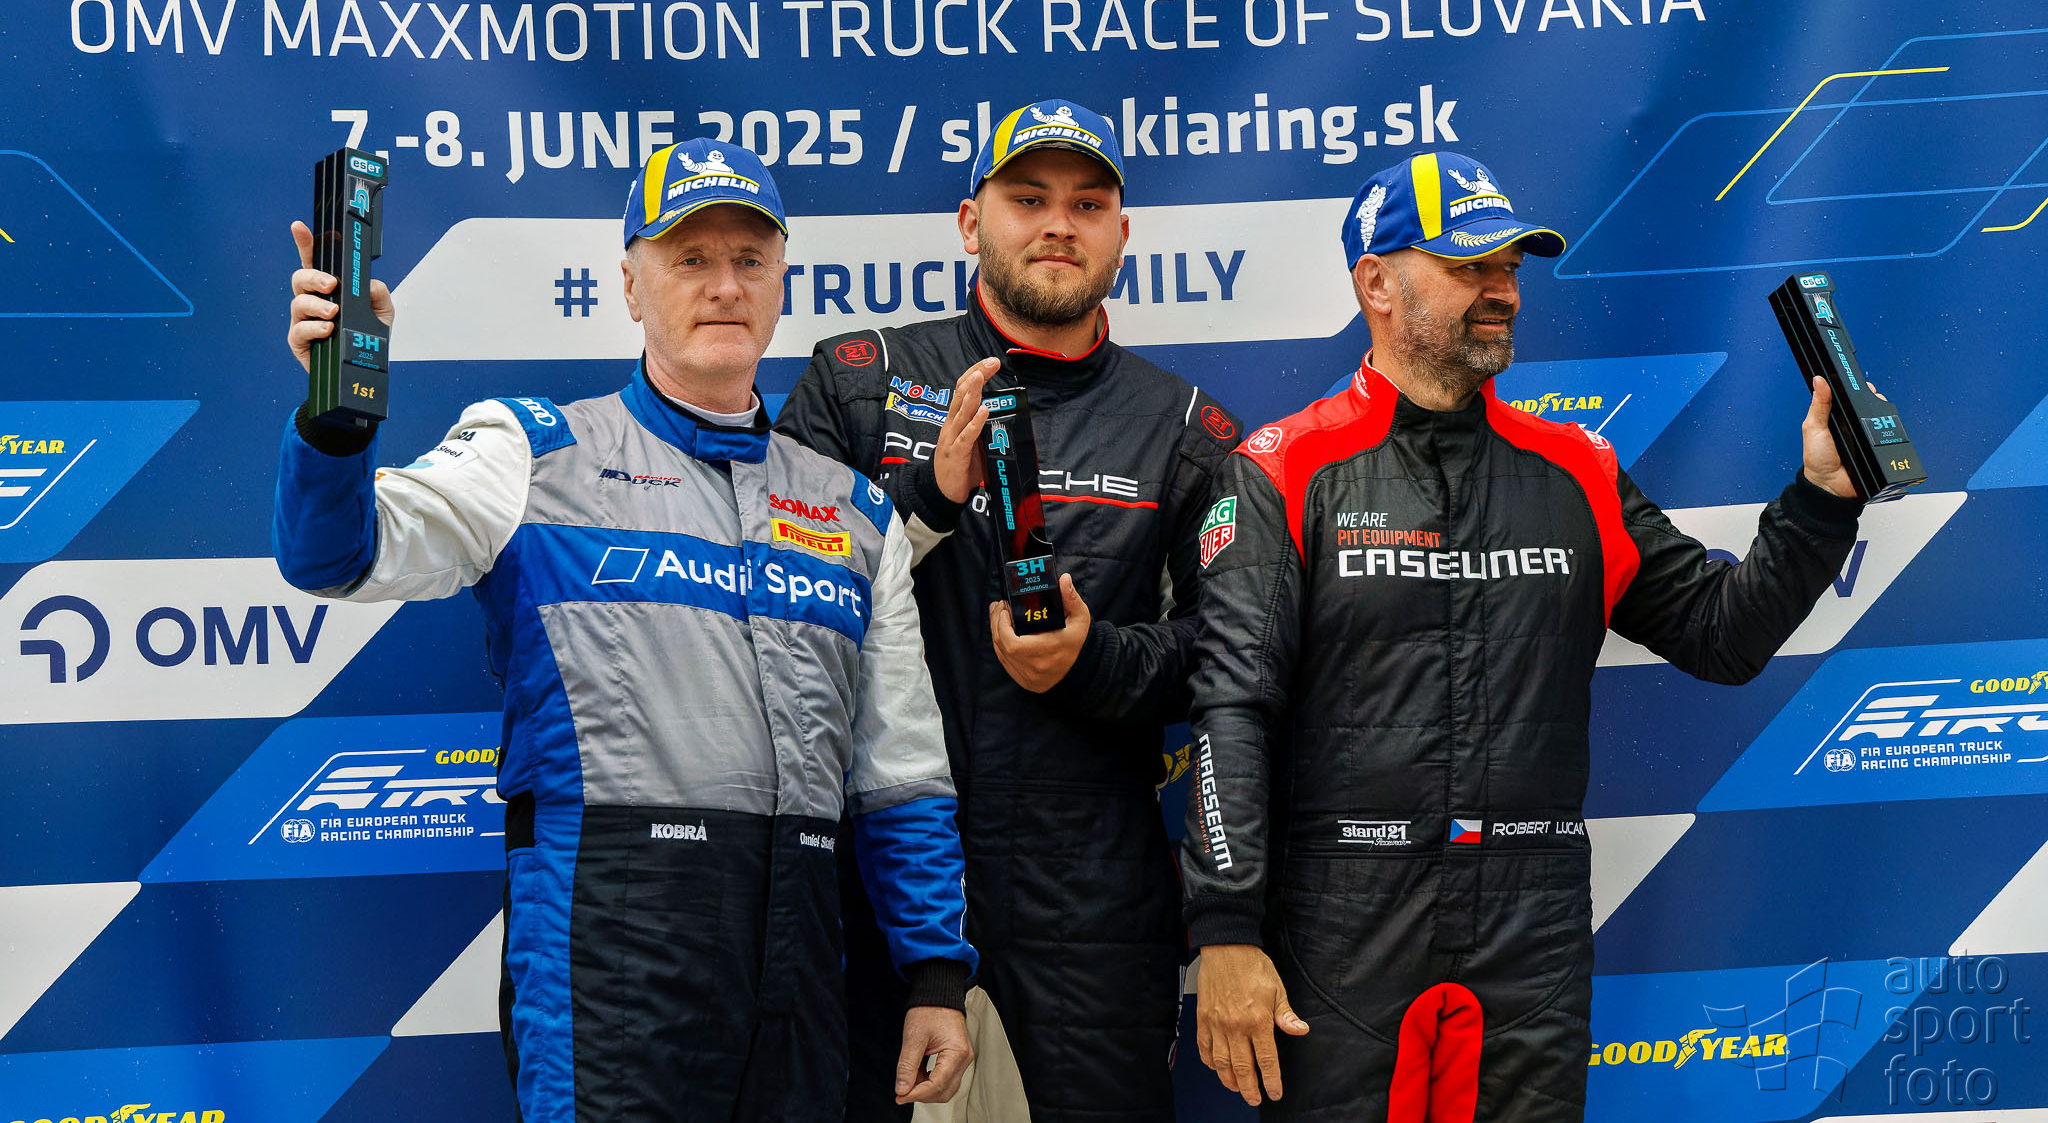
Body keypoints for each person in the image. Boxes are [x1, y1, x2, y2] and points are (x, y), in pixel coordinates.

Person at [272, 139, 976, 1123]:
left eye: (749, 260)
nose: (723, 286)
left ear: (782, 283)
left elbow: (899, 771)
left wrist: (935, 972)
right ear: (631, 286)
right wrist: (334, 422)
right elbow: (335, 556)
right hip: (606, 946)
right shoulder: (530, 452)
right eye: (690, 259)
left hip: (804, 955)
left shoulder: (853, 510)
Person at [1182, 151, 1868, 1121]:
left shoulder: (1576, 467)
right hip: (1342, 913)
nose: (1501, 289)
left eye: (1508, 266)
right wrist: (1225, 928)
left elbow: (1720, 635)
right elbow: (1231, 711)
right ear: (1375, 282)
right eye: (1468, 266)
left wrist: (1820, 503)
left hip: (1529, 916)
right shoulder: (1286, 467)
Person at [775, 100, 1242, 1123]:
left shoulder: (1185, 430)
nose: (1058, 224)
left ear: (1123, 233)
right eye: (1027, 199)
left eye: (1087, 204)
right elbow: (776, 611)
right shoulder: (859, 384)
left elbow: (1232, 661)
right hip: (879, 884)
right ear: (968, 221)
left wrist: (1093, 662)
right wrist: (925, 502)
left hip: (1092, 909)